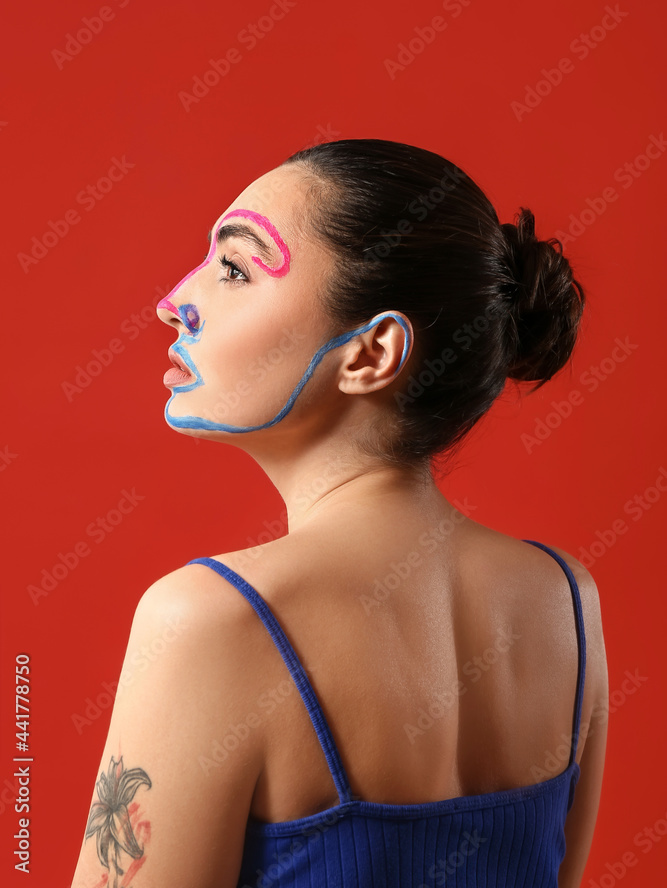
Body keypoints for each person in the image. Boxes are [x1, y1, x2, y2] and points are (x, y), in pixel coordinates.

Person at [71, 138, 608, 888]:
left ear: (372, 352)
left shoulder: (209, 619)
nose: (174, 303)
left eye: (233, 269)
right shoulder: (566, 601)